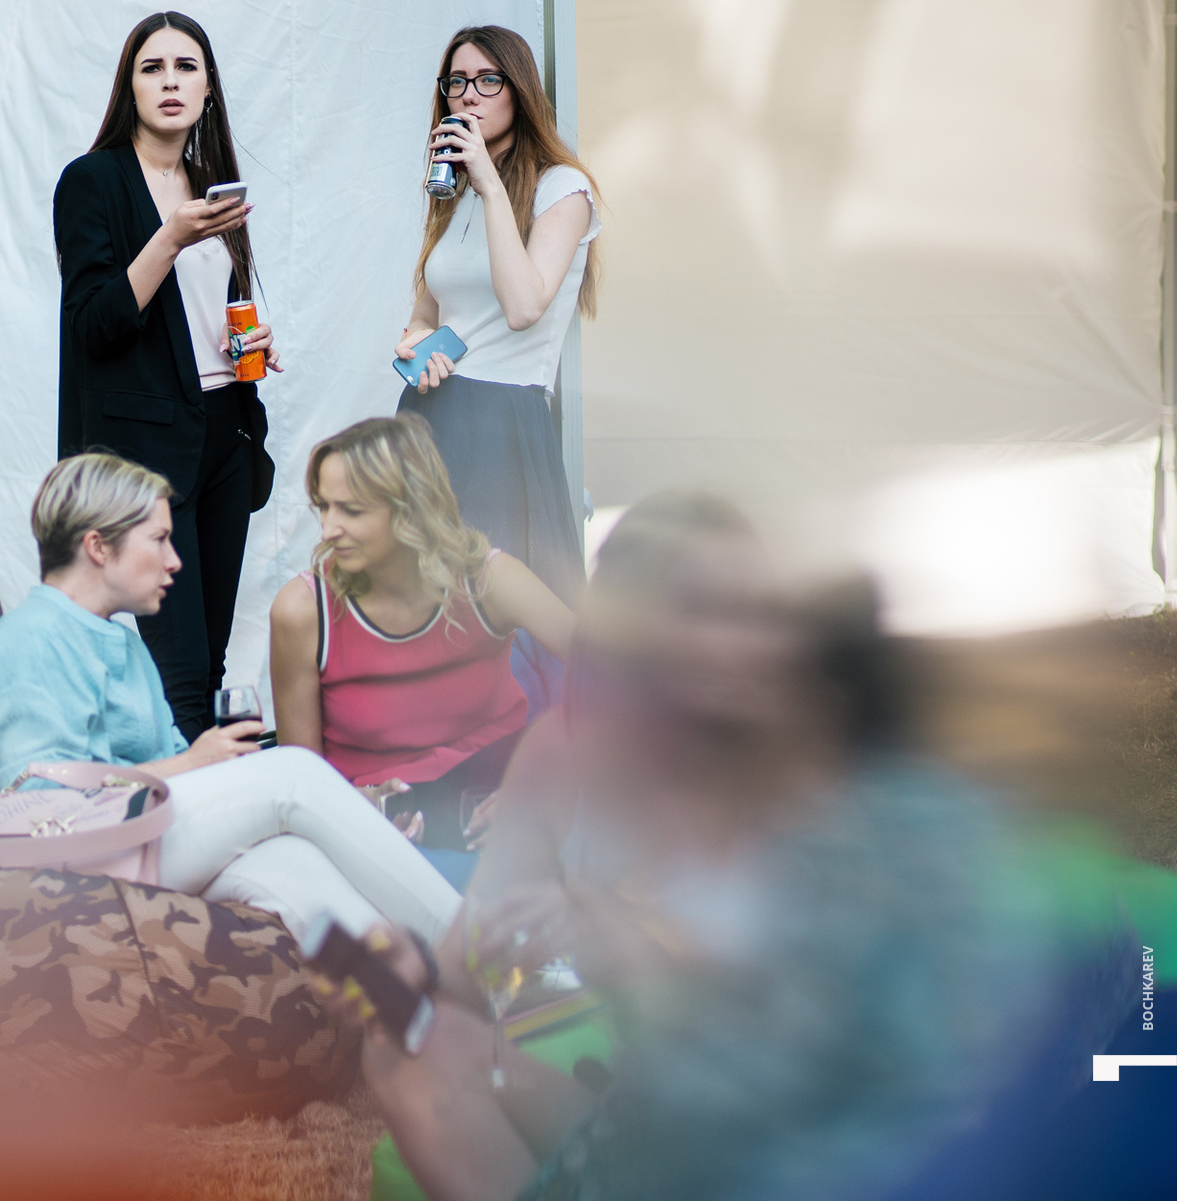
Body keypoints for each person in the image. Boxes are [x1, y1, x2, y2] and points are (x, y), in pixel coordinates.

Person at [343, 493, 1071, 1201]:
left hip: (804, 1132)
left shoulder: (830, 775)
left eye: (760, 612)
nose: (745, 641)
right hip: (661, 1112)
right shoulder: (568, 755)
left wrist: (638, 948)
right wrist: (413, 971)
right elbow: (466, 976)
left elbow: (851, 1050)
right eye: (704, 611)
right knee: (413, 1046)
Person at [0, 453, 460, 946]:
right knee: (293, 774)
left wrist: (341, 816)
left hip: (136, 841)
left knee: (293, 864)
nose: (175, 560)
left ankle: (424, 993)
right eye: (159, 539)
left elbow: (184, 774)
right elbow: (39, 806)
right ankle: (477, 948)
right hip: (58, 871)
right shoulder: (34, 638)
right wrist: (194, 764)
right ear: (98, 546)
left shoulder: (124, 644)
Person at [53, 10, 280, 742]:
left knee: (210, 660)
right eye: (152, 68)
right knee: (177, 670)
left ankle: (203, 790)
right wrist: (170, 237)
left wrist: (248, 341)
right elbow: (94, 324)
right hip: (147, 452)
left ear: (209, 88)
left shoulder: (212, 184)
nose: (170, 81)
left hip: (226, 433)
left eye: (187, 67)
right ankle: (179, 798)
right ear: (131, 88)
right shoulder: (92, 181)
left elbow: (200, 318)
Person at [268, 415, 574, 851]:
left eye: (351, 510)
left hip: (494, 814)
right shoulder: (302, 611)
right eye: (324, 507)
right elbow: (300, 780)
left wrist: (544, 785)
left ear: (410, 508)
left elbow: (622, 681)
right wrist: (354, 808)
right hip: (370, 831)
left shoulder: (488, 579)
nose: (328, 529)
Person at [392, 24, 601, 616]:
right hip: (429, 410)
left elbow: (524, 307)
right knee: (419, 605)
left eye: (488, 80)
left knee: (496, 610)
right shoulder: (452, 191)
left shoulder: (563, 189)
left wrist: (487, 182)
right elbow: (426, 310)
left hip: (500, 418)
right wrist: (415, 344)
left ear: (520, 91)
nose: (468, 95)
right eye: (457, 81)